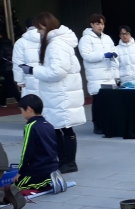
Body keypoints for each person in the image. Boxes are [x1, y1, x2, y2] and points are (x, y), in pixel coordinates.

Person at [20, 12, 86, 174]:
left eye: (39, 29)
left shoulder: (56, 44)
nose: (38, 32)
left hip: (61, 94)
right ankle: (63, 161)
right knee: (58, 128)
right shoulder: (56, 42)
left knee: (64, 128)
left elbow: (57, 72)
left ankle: (68, 162)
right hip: (58, 93)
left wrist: (33, 70)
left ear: (45, 26)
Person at [1, 95, 61, 209]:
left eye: (21, 110)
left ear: (29, 109)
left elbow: (26, 152)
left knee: (14, 185)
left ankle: (11, 196)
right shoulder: (48, 125)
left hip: (37, 170)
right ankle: (46, 183)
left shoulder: (30, 126)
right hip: (52, 168)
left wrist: (21, 171)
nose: (22, 113)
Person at [78, 14, 119, 134]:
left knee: (108, 101)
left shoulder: (107, 38)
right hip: (95, 74)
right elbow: (86, 55)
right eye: (97, 24)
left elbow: (114, 49)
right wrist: (102, 55)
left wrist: (114, 54)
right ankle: (97, 125)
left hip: (108, 73)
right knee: (98, 101)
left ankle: (108, 124)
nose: (100, 26)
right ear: (92, 25)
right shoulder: (85, 39)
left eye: (102, 24)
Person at [12, 18, 41, 98]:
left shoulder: (20, 42)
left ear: (26, 27)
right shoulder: (47, 38)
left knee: (32, 104)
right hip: (45, 76)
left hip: (29, 78)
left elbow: (18, 62)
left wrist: (20, 80)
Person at [0, 32, 21, 107]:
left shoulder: (1, 44)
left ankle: (20, 101)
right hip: (11, 66)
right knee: (6, 85)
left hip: (5, 68)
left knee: (10, 85)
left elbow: (1, 57)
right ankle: (2, 102)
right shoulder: (9, 43)